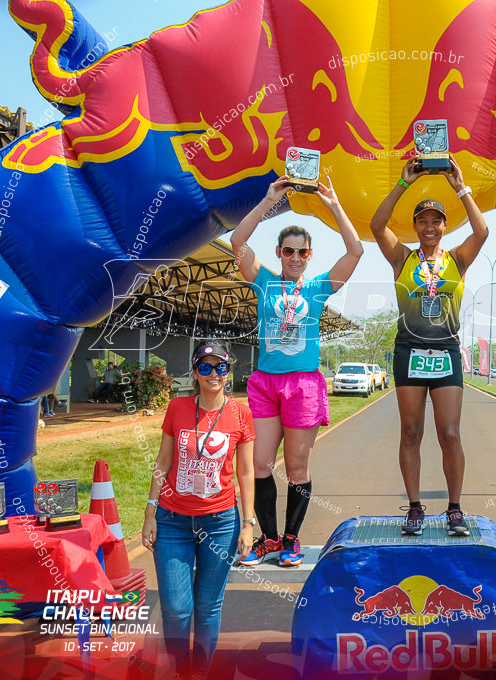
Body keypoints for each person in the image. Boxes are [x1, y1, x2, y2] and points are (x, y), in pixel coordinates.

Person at [230, 175, 362, 567]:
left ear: (310, 255)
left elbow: (355, 251)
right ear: (279, 252)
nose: (295, 257)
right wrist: (269, 200)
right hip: (266, 383)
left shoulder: (319, 286)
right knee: (260, 465)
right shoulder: (264, 282)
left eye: (301, 252)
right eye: (288, 251)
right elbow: (238, 242)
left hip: (303, 385)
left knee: (299, 467)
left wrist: (334, 203)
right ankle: (267, 539)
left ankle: (291, 540)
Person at [370, 157, 488, 536]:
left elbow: (482, 231)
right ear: (416, 226)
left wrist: (461, 187)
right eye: (423, 220)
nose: (430, 226)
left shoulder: (457, 259)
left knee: (449, 433)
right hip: (409, 351)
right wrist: (404, 184)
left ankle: (454, 508)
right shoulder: (402, 257)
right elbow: (376, 225)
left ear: (444, 225)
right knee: (410, 432)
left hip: (446, 352)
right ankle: (416, 509)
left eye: (437, 220)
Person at [140, 341, 255, 679]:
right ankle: (180, 670)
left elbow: (246, 472)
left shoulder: (240, 413)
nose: (213, 373)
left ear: (229, 371)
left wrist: (248, 524)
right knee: (176, 608)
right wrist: (150, 513)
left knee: (207, 606)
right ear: (194, 372)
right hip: (172, 519)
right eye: (205, 367)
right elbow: (163, 462)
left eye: (220, 366)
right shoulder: (177, 407)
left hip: (220, 521)